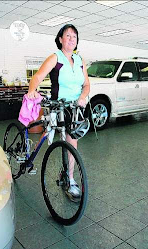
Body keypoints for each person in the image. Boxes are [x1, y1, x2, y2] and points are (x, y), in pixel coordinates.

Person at [26, 24, 90, 200]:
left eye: (74, 36)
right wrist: (32, 89)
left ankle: (70, 178)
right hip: (57, 105)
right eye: (67, 36)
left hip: (75, 107)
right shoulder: (55, 58)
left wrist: (83, 96)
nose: (71, 39)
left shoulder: (80, 60)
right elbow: (38, 77)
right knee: (48, 132)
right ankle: (30, 156)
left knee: (72, 142)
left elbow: (86, 84)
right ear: (60, 39)